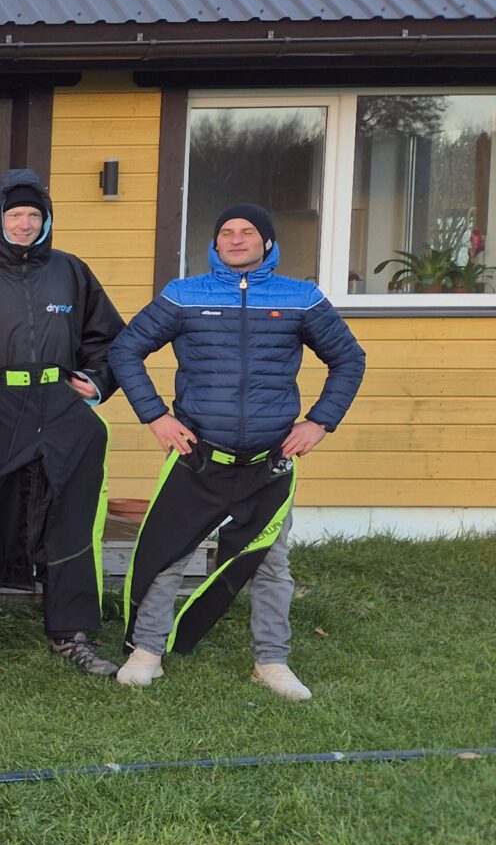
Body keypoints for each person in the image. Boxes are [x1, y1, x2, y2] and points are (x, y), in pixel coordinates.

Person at [106, 203, 365, 700]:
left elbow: (349, 358)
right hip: (197, 454)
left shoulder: (301, 298)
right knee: (166, 556)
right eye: (227, 231)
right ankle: (147, 652)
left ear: (267, 242)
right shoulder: (184, 295)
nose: (236, 239)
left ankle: (271, 661)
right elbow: (124, 349)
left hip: (269, 461)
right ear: (215, 242)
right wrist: (156, 416)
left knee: (270, 563)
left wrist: (319, 421)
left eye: (248, 232)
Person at [0, 170, 128, 679]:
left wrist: (95, 382)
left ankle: (70, 632)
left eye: (33, 216)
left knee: (71, 517)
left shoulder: (70, 272)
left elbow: (108, 338)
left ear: (45, 221)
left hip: (61, 405)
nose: (24, 224)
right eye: (15, 215)